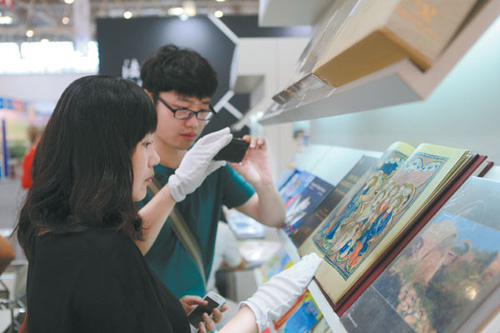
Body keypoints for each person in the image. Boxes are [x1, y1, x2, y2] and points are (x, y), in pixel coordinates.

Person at [15, 75, 321, 332]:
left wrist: (166, 312)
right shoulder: (100, 249)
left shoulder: (51, 227)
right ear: (109, 153)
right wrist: (256, 311)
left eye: (202, 110)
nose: (155, 158)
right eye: (145, 143)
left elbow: (102, 309)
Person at [138, 44, 286, 298]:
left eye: (203, 109)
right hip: (147, 315)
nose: (194, 123)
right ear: (149, 99)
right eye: (182, 109)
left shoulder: (211, 164)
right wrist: (176, 188)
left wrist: (263, 182)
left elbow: (272, 218)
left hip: (196, 311)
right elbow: (123, 250)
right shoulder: (130, 167)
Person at [21, 125, 44, 189]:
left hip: (30, 187)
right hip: (32, 188)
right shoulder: (34, 155)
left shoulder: (31, 151)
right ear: (38, 138)